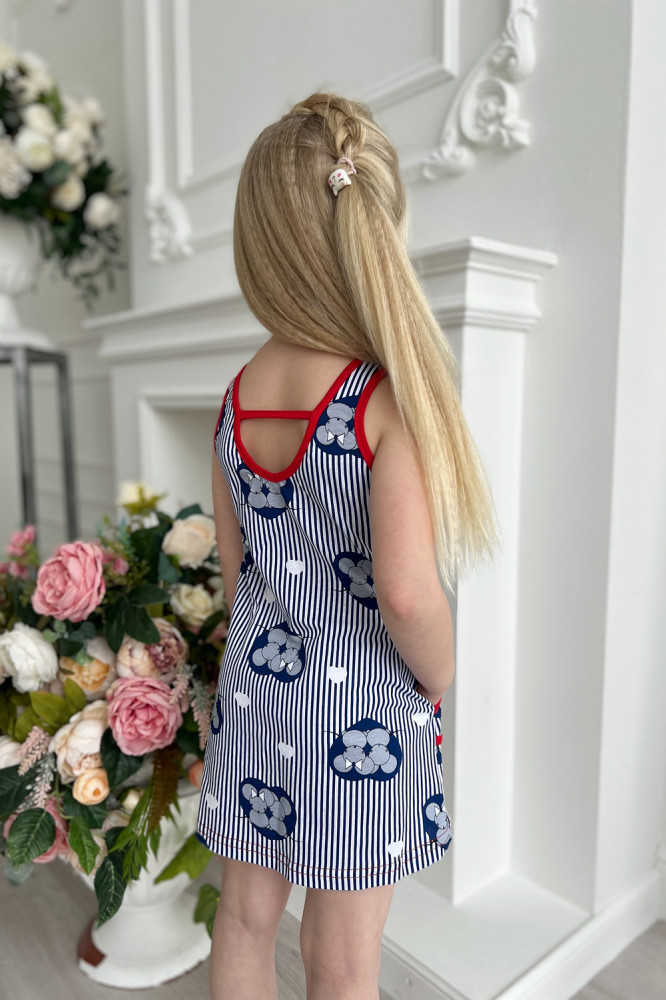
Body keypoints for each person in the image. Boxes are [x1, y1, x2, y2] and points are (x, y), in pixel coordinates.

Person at [195, 93, 500, 1000]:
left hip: (257, 689)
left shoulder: (237, 396)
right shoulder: (381, 400)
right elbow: (405, 594)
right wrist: (440, 674)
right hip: (359, 711)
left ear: (261, 245)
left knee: (243, 919)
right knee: (343, 954)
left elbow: (237, 575)